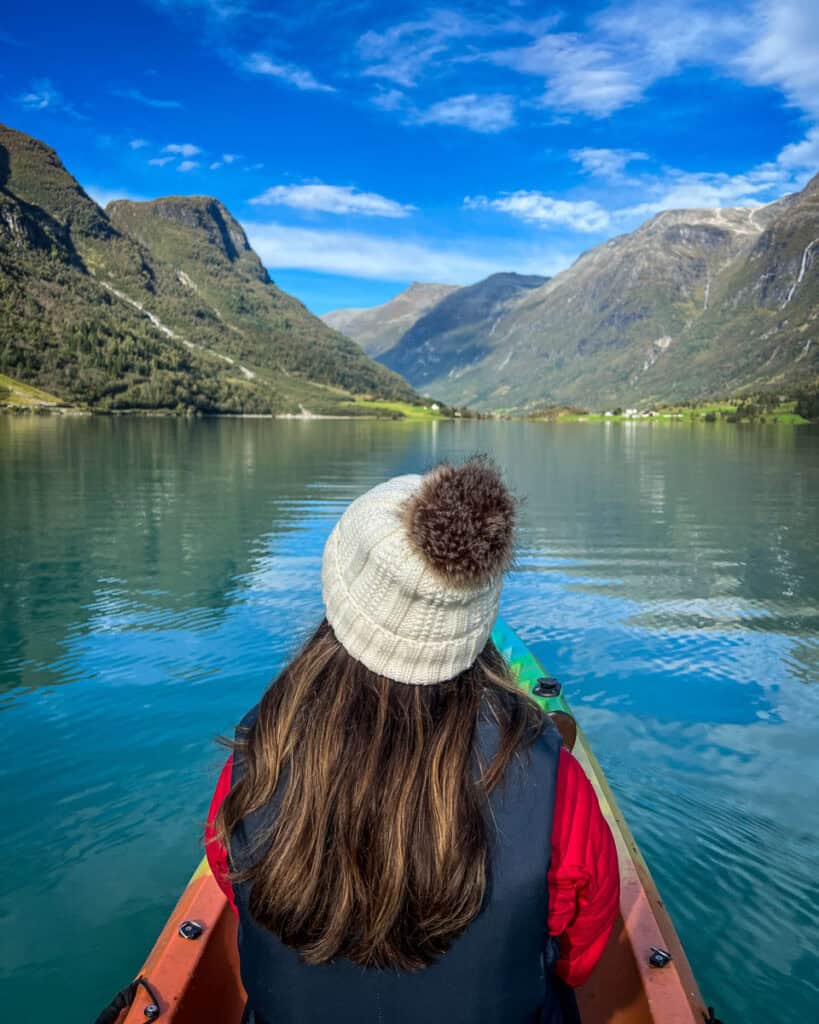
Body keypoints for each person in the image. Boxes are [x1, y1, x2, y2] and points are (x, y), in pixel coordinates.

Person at [205, 457, 619, 1024]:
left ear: (339, 595)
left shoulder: (256, 763)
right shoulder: (558, 788)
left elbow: (235, 895)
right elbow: (578, 956)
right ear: (475, 618)